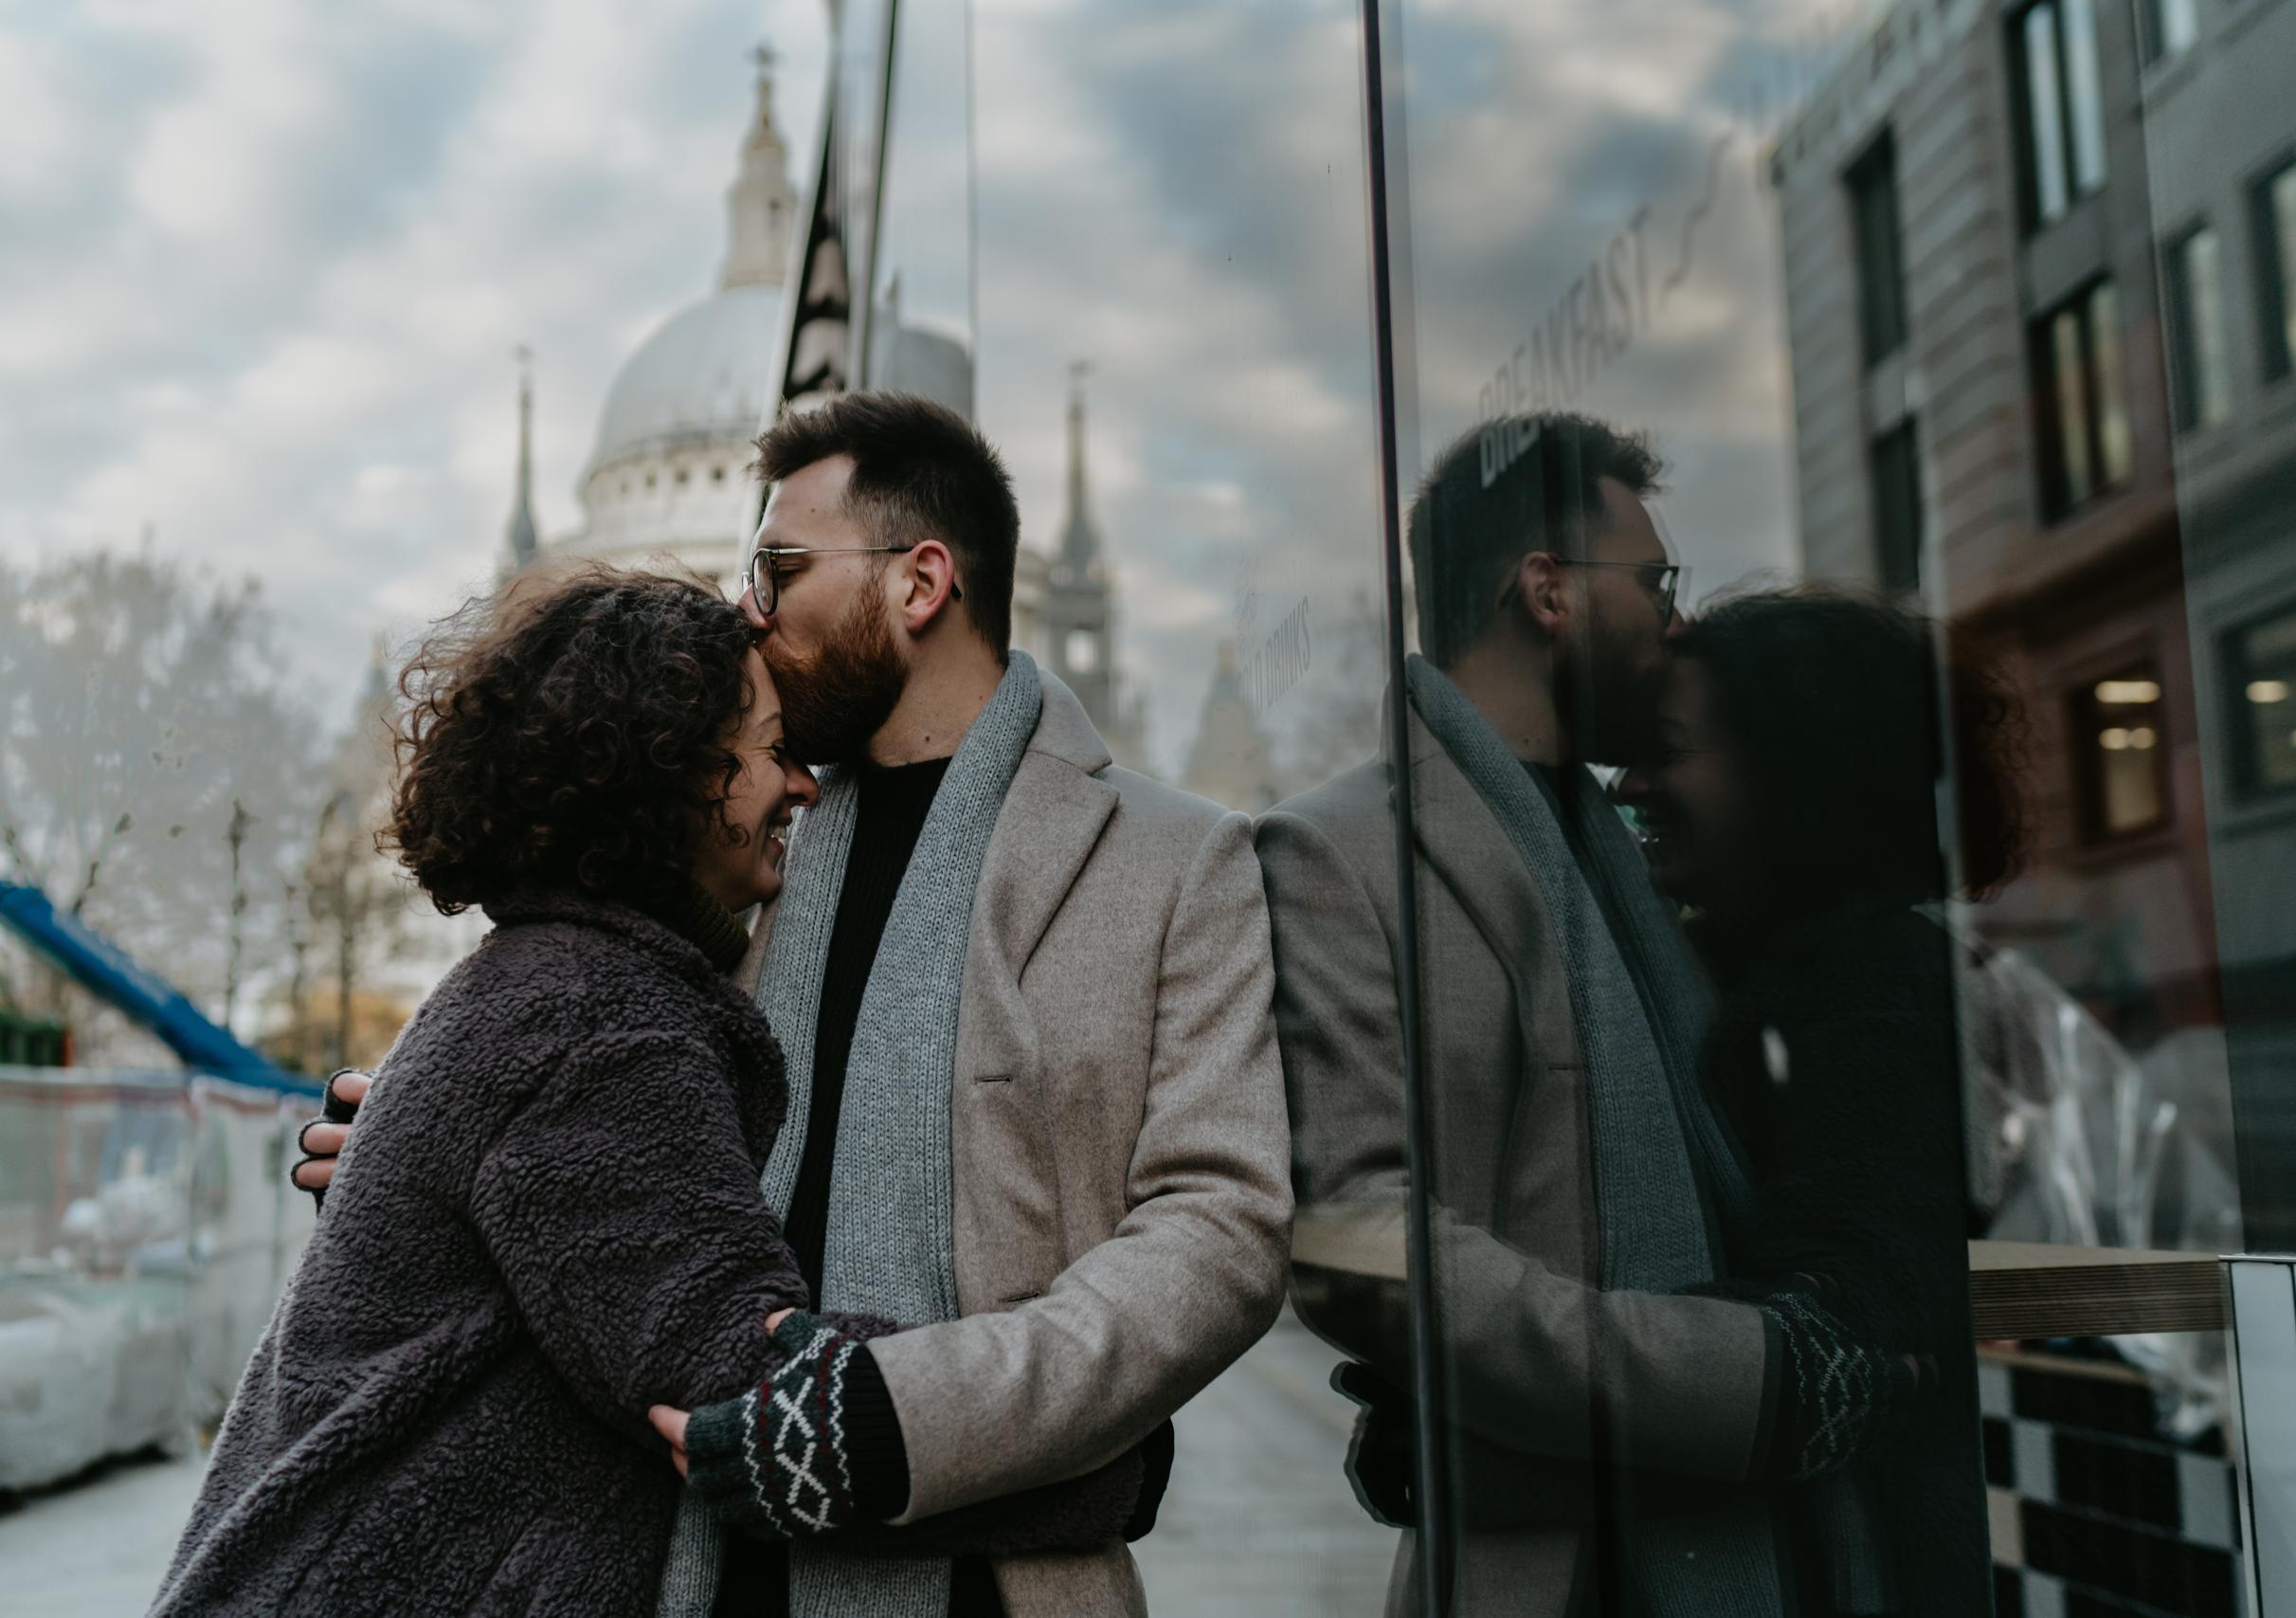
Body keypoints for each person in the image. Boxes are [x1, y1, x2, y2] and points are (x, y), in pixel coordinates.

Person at [294, 392, 1295, 1618]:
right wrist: (446, 1150)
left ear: (919, 582)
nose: (750, 608)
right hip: (669, 1562)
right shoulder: (718, 836)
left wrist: (924, 1424)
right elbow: (593, 1107)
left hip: (1001, 1588)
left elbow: (1221, 1223)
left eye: (779, 566)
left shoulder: (1177, 859)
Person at [1259, 414, 1924, 1617]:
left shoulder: (1662, 864)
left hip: (1780, 1547)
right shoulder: (1336, 851)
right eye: (1654, 580)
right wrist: (1739, 1383)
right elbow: (1359, 1235)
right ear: (1549, 591)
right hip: (1546, 1579)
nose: (1673, 618)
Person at [153, 570, 827, 1614]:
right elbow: (742, 1381)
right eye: (778, 749)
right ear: (678, 765)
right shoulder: (595, 1015)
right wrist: (1081, 1457)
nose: (805, 787)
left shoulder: (548, 980)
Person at [1614, 586, 2010, 1615]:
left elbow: (1851, 1329)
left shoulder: (1874, 994)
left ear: (1792, 771)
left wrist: (1493, 1408)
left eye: (1667, 746)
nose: (1631, 781)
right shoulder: (1774, 976)